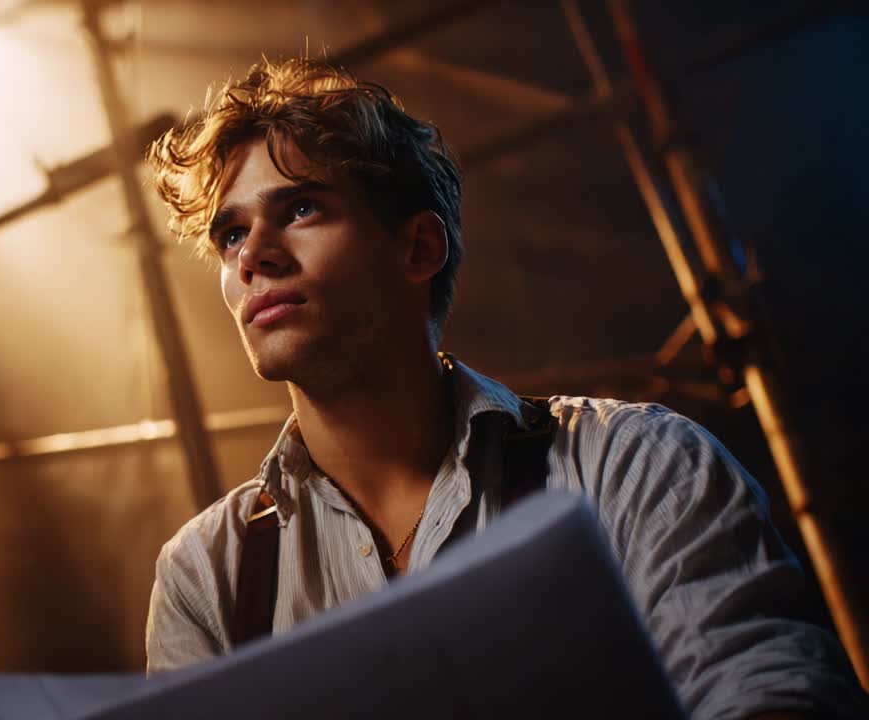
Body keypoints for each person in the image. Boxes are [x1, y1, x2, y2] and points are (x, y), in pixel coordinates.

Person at [141, 57, 864, 718]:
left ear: (418, 247)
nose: (253, 258)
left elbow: (769, 693)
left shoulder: (634, 466)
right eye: (230, 235)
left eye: (300, 209)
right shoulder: (206, 577)